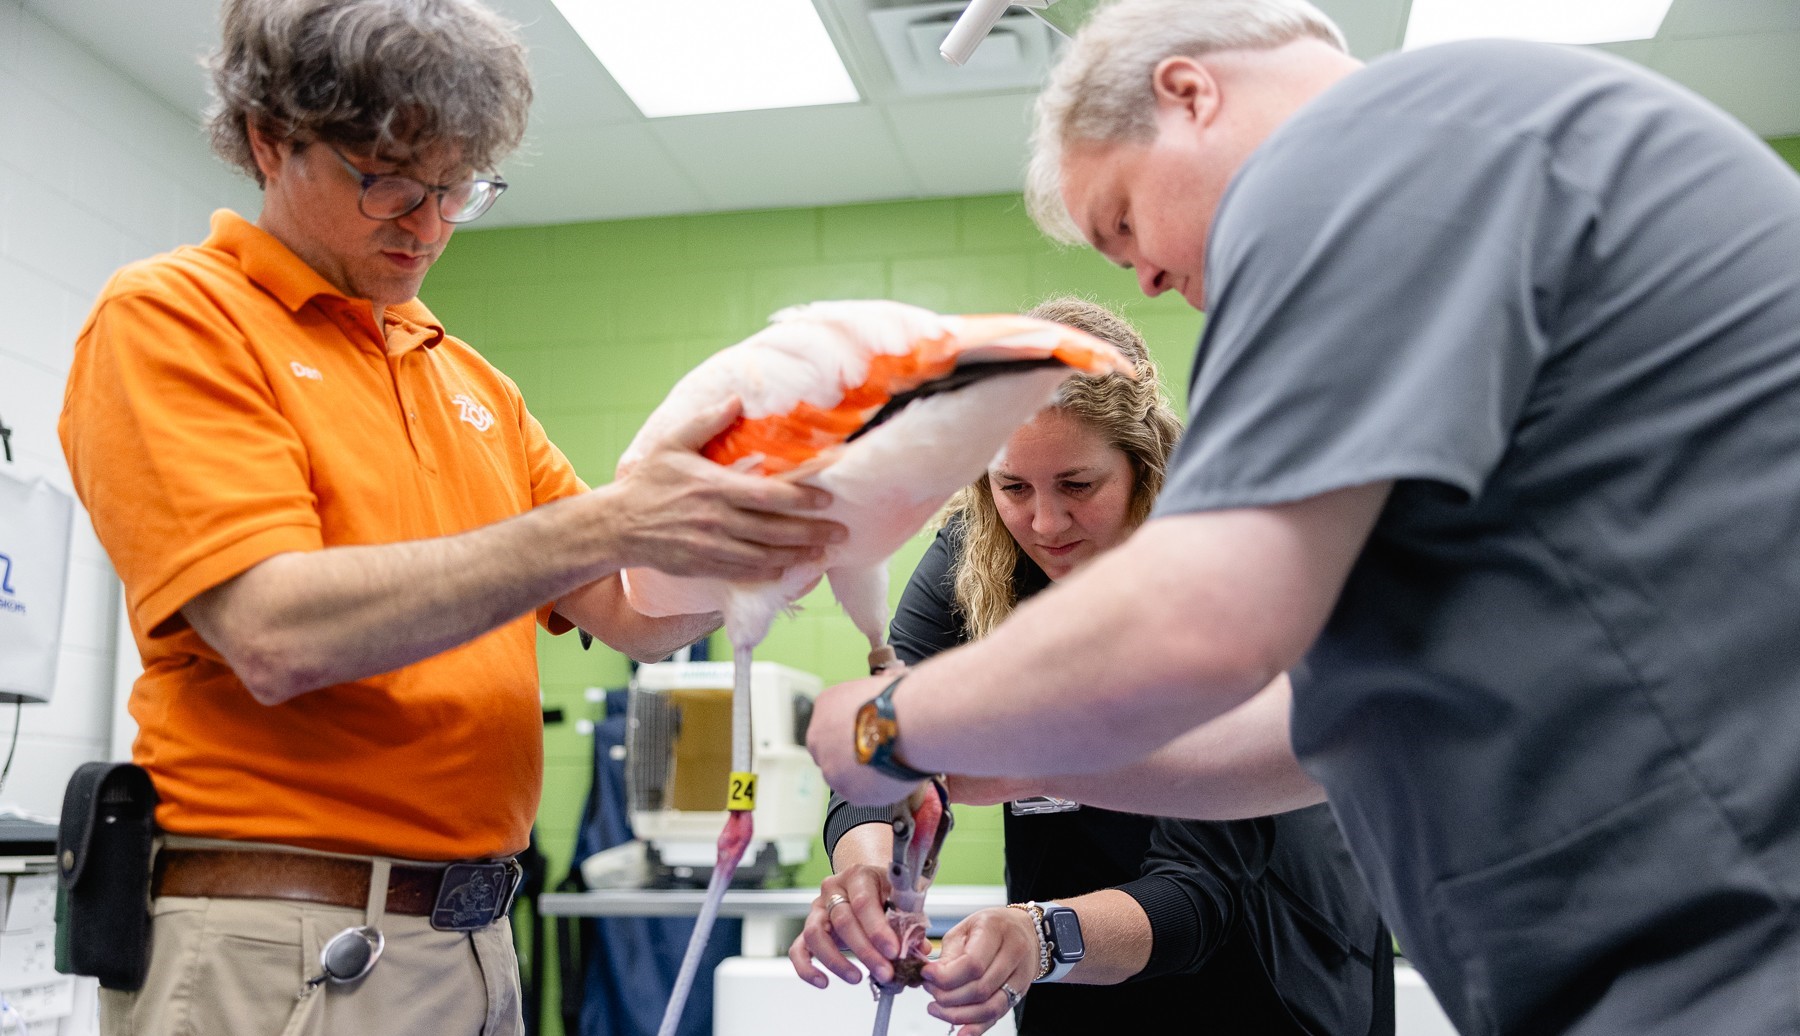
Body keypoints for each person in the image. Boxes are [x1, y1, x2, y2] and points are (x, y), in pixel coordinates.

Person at [805, 0, 1800, 1034]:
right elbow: (1310, 727)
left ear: (1188, 95)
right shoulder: (1451, 194)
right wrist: (1020, 760)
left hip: (1714, 939)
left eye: (1125, 223)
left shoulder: (1370, 159)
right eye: (1013, 489)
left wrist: (889, 723)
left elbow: (1206, 626)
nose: (1144, 276)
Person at [56, 2, 839, 1034]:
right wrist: (615, 521)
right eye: (387, 181)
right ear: (270, 139)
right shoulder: (176, 318)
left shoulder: (468, 381)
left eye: (457, 187)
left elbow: (634, 613)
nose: (426, 225)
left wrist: (769, 543)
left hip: (471, 941)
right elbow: (274, 630)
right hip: (281, 939)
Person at [790, 299, 1391, 1036]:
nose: (1044, 523)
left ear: (1141, 465)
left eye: (1078, 485)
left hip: (1267, 976)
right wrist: (866, 872)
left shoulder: (1220, 564)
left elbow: (1198, 895)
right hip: (1068, 965)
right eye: (1013, 486)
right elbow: (882, 748)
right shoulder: (974, 552)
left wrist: (1037, 937)